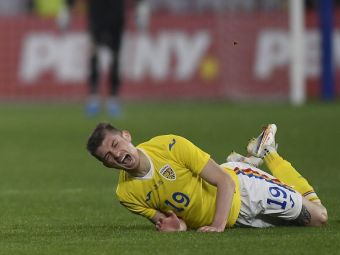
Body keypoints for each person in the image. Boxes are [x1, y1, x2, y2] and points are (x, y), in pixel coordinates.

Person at [86, 123, 328, 232]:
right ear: (107, 166)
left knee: (318, 216)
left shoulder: (170, 146)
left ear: (127, 136)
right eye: (108, 156)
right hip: (236, 220)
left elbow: (223, 181)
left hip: (242, 190)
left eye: (116, 144)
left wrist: (217, 226)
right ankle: (244, 162)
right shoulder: (126, 194)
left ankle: (268, 152)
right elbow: (171, 221)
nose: (117, 155)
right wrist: (175, 228)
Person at [58, 0, 150, 117]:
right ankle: (93, 97)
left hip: (116, 16)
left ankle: (113, 97)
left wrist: (141, 9)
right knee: (94, 55)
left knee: (115, 57)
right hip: (96, 15)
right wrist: (66, 9)